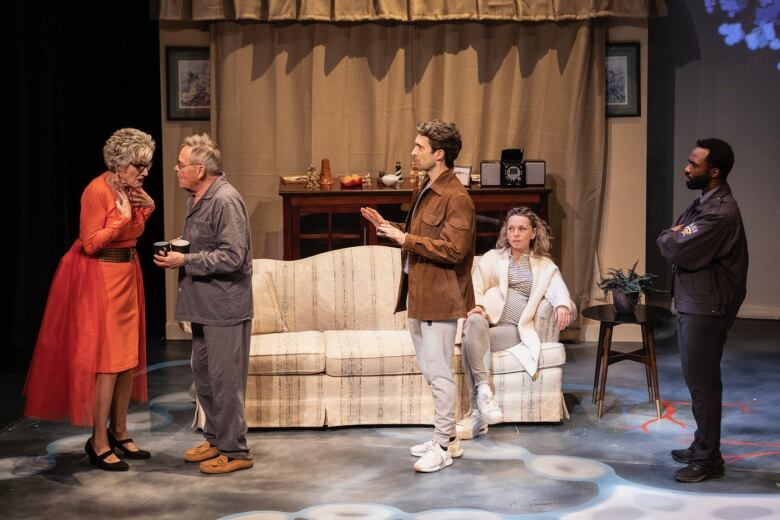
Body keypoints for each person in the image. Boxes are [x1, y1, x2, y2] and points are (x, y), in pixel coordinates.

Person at [24, 128, 156, 471]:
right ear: (118, 163)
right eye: (137, 166)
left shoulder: (132, 191)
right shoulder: (96, 191)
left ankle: (120, 431)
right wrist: (122, 220)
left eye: (147, 166)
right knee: (108, 365)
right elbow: (90, 243)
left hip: (127, 276)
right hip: (100, 280)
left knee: (126, 362)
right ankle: (98, 440)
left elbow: (133, 234)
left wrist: (146, 210)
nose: (143, 173)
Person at [361, 120, 475, 473]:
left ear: (439, 154)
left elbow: (454, 251)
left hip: (441, 296)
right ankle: (448, 437)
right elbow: (419, 235)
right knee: (430, 371)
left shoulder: (457, 197)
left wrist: (406, 240)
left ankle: (442, 445)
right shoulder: (427, 187)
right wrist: (390, 228)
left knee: (439, 373)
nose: (412, 152)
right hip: (420, 294)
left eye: (419, 147)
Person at [153, 133, 254, 475]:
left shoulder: (225, 200)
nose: (176, 170)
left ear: (200, 169)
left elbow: (233, 256)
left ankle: (235, 450)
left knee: (225, 381)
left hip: (224, 308)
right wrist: (180, 253)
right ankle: (214, 440)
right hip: (203, 306)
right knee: (206, 378)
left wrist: (185, 262)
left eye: (181, 165)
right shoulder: (198, 198)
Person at [657, 138, 748, 483]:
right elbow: (674, 237)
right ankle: (701, 445)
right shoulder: (704, 202)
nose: (686, 167)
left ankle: (709, 458)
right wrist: (673, 236)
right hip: (696, 300)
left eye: (694, 164)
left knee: (703, 383)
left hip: (708, 306)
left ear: (714, 171)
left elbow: (675, 246)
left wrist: (672, 237)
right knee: (697, 379)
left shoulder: (720, 212)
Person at [457, 207, 575, 440]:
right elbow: (476, 284)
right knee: (473, 324)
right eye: (511, 229)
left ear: (533, 233)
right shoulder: (493, 257)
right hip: (486, 321)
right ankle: (484, 393)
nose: (515, 234)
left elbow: (558, 288)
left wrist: (562, 304)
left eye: (521, 229)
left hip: (514, 330)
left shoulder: (544, 265)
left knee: (469, 341)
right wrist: (478, 305)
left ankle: (476, 415)